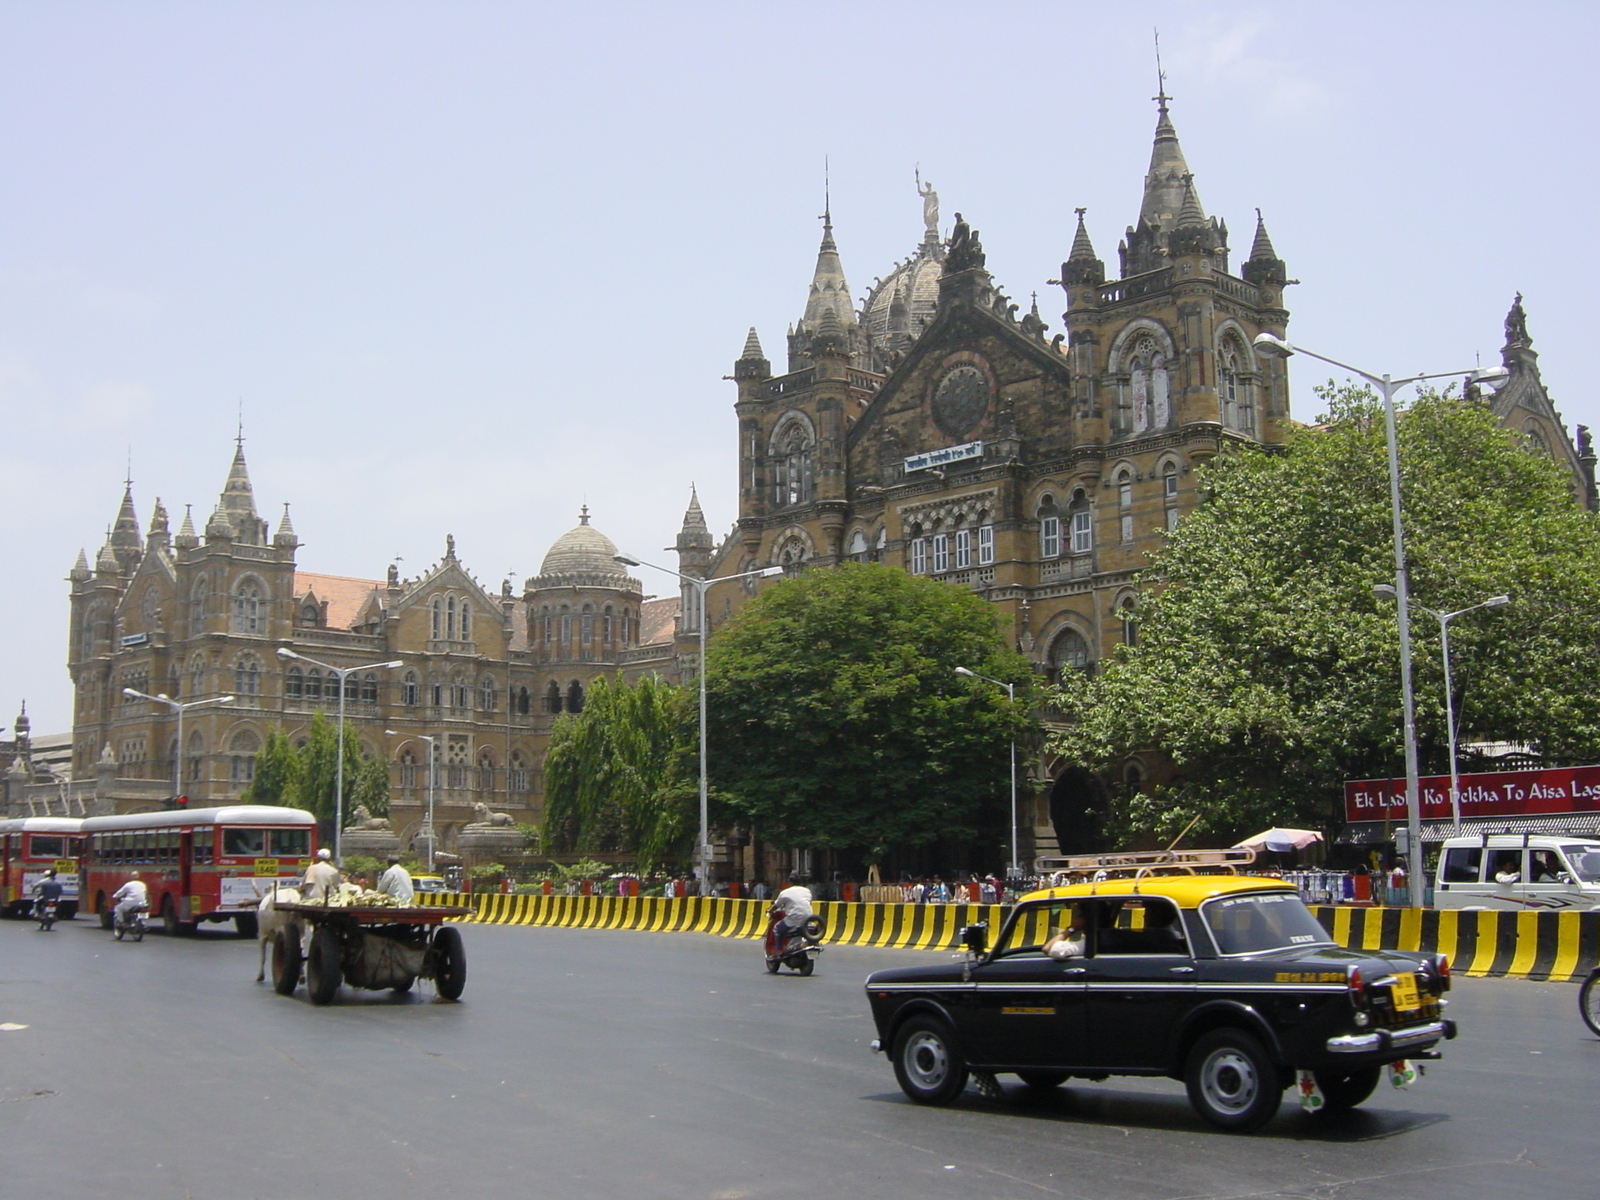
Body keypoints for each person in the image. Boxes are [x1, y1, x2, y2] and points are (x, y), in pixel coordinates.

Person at [768, 872, 813, 953]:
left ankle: (779, 951)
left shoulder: (785, 892)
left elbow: (776, 905)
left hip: (793, 919)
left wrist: (770, 911)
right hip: (808, 918)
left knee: (777, 929)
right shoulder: (807, 891)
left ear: (790, 882)